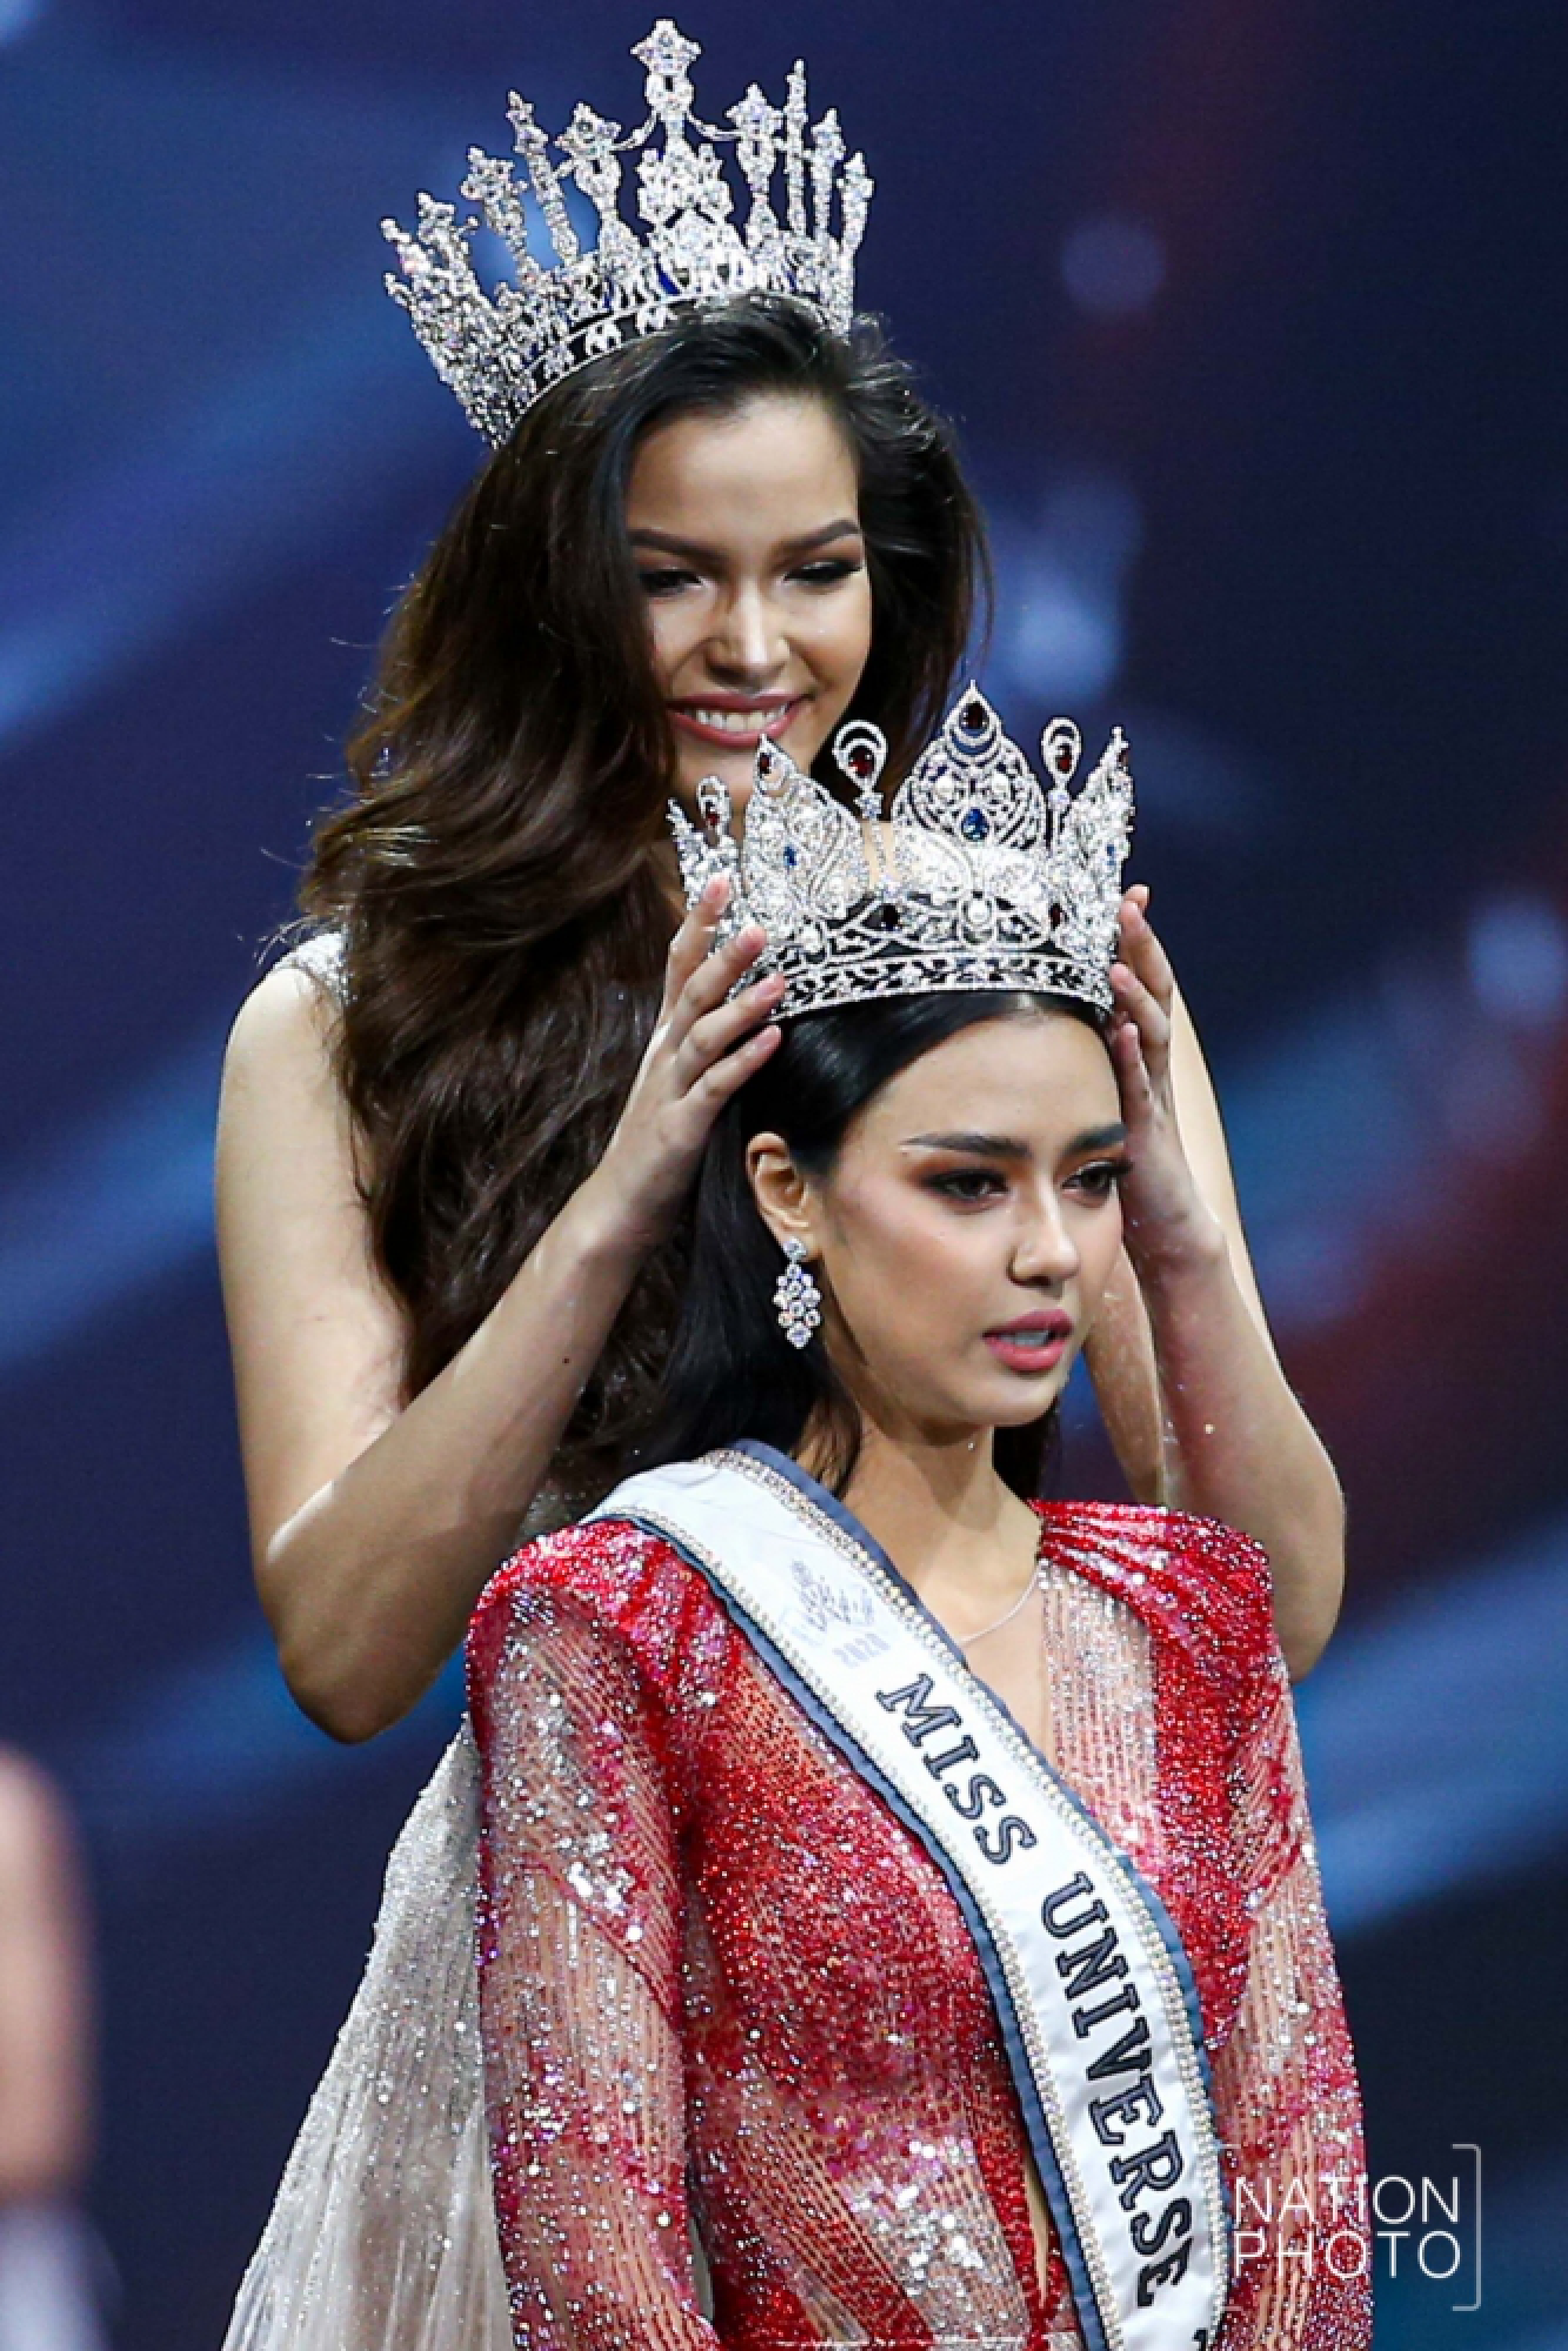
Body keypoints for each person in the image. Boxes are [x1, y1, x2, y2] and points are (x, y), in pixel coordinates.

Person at [215, 24, 1346, 1756]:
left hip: (966, 1878)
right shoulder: (342, 1023)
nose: (753, 650)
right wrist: (619, 1194)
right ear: (548, 587)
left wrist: (1176, 1242)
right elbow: (347, 1655)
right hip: (584, 1902)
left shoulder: (1014, 942)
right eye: (671, 579)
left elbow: (1279, 1618)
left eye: (815, 574)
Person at [222, 694, 1370, 2349]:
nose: (1048, 1249)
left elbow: (1298, 2181)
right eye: (968, 1182)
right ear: (788, 1191)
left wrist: (1182, 1245)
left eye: (1091, 1176)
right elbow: (596, 2237)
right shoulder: (624, 1619)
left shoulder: (1178, 1611)